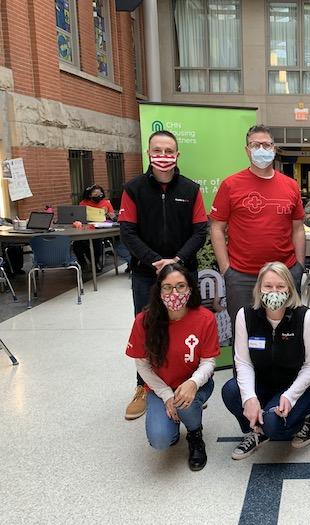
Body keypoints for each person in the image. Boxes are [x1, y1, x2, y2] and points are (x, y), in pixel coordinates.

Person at [119, 130, 208, 420]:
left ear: (178, 155)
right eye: (157, 150)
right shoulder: (133, 189)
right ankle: (144, 388)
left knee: (187, 327)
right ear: (148, 154)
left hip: (185, 272)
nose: (163, 156)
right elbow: (128, 232)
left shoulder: (191, 190)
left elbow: (200, 231)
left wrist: (177, 261)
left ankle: (191, 386)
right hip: (147, 274)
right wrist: (157, 261)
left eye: (169, 151)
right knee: (149, 328)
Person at [210, 125, 306, 342]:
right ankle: (243, 377)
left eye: (266, 144)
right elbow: (217, 228)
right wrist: (227, 270)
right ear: (247, 150)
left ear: (274, 148)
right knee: (244, 335)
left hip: (284, 275)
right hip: (243, 277)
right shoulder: (231, 185)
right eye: (256, 145)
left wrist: (298, 267)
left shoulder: (290, 186)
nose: (261, 149)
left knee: (286, 333)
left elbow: (297, 227)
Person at [221, 262, 310, 459]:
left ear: (290, 289)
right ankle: (256, 431)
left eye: (280, 286)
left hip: (302, 385)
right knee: (231, 391)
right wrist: (249, 397)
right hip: (266, 381)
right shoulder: (246, 315)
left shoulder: (304, 317)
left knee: (275, 428)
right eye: (268, 286)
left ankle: (305, 417)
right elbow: (243, 362)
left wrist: (291, 396)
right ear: (259, 288)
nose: (274, 292)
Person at [125, 264, 219, 471]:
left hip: (195, 384)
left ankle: (195, 436)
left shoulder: (205, 318)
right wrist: (166, 394)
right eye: (167, 287)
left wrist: (193, 382)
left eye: (181, 286)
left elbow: (209, 361)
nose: (174, 293)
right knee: (160, 440)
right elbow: (142, 364)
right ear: (158, 291)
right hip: (160, 389)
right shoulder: (144, 321)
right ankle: (174, 426)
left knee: (185, 402)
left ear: (190, 289)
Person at [73, 184, 116, 270]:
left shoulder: (106, 203)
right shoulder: (83, 203)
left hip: (100, 229)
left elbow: (113, 217)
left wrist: (110, 215)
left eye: (100, 194)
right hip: (86, 229)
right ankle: (83, 263)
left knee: (96, 242)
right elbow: (78, 217)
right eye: (95, 194)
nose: (98, 196)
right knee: (77, 244)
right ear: (90, 195)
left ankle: (95, 263)